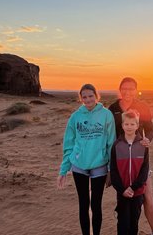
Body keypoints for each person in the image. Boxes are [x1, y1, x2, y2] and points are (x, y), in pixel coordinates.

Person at [57, 83, 116, 235]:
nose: (88, 99)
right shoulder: (75, 117)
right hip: (79, 165)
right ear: (81, 99)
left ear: (97, 96)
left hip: (99, 165)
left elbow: (111, 144)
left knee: (96, 205)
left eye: (91, 96)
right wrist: (63, 170)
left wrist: (110, 169)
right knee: (83, 204)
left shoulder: (106, 115)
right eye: (84, 97)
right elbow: (68, 145)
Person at [109, 77, 153, 235]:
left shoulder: (142, 107)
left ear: (136, 90)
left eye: (131, 89)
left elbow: (150, 130)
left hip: (139, 157)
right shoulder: (113, 108)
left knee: (147, 195)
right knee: (123, 193)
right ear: (120, 89)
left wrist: (147, 140)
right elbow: (108, 134)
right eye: (124, 88)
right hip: (120, 159)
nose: (127, 92)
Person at [110, 110, 149, 235]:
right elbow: (114, 170)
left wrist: (133, 188)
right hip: (122, 192)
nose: (129, 127)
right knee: (122, 222)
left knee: (134, 221)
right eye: (126, 124)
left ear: (137, 126)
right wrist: (123, 189)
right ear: (122, 125)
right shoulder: (116, 145)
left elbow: (145, 170)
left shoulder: (143, 145)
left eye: (132, 124)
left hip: (137, 192)